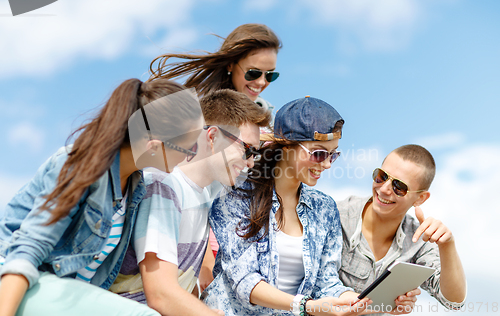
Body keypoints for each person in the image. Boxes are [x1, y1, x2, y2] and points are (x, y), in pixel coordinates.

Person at [0, 78, 203, 316]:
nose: (191, 156)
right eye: (190, 148)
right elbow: (26, 251)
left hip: (61, 292)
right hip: (16, 283)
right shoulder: (80, 166)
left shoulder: (136, 188)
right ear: (154, 147)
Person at [201, 96, 375, 315]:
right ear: (286, 147)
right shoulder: (236, 197)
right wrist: (305, 306)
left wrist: (358, 301)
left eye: (333, 154)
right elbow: (245, 281)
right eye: (319, 153)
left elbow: (326, 281)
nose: (327, 164)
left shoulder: (325, 208)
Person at [108, 89, 271, 316]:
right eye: (247, 149)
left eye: (256, 153)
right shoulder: (163, 186)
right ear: (212, 137)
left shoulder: (203, 195)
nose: (251, 162)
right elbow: (160, 295)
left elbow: (181, 287)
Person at [337, 144, 467, 314]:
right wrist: (378, 306)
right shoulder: (337, 216)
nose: (384, 189)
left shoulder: (419, 239)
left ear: (420, 198)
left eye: (399, 187)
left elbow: (453, 302)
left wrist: (447, 244)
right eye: (381, 176)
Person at [149, 23, 281, 113]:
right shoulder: (199, 115)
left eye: (270, 75)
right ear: (230, 65)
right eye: (253, 73)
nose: (261, 82)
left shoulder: (271, 119)